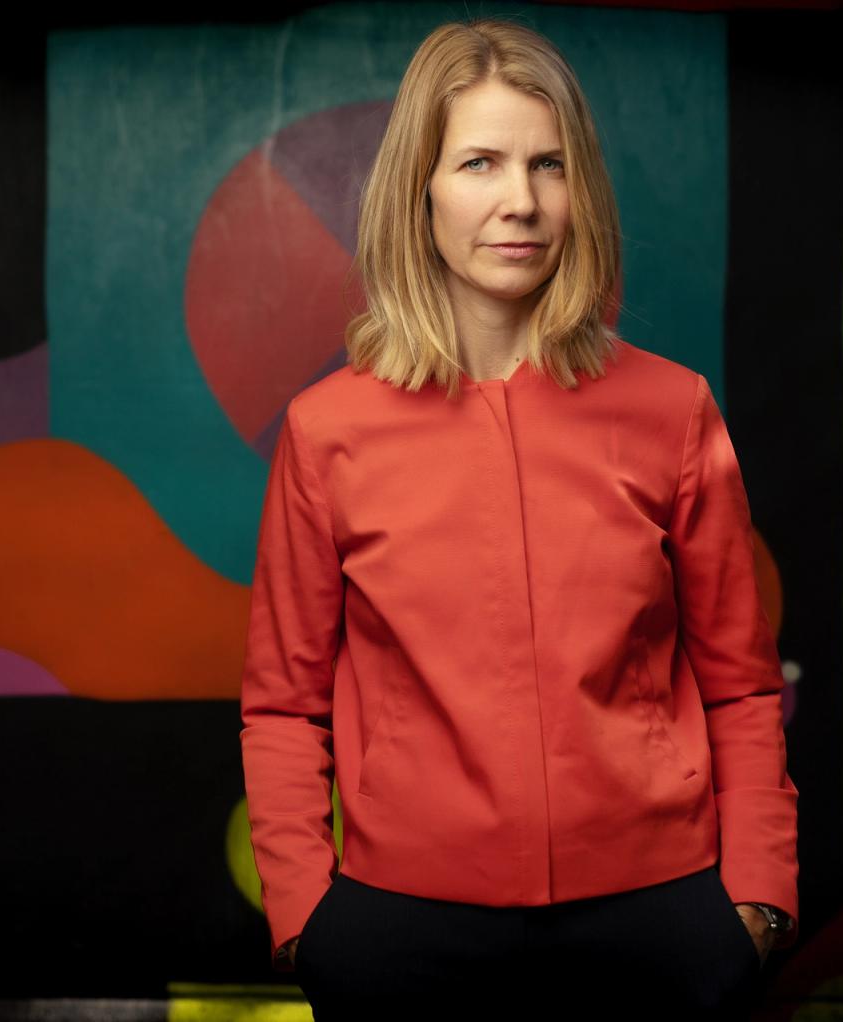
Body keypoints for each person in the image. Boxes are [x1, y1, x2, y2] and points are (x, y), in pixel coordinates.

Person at [239, 16, 799, 1019]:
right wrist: (304, 915)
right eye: (480, 163)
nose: (521, 202)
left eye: (549, 164)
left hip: (659, 924)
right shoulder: (327, 431)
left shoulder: (673, 410)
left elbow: (742, 685)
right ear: (420, 188)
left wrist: (756, 897)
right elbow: (284, 702)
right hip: (400, 933)